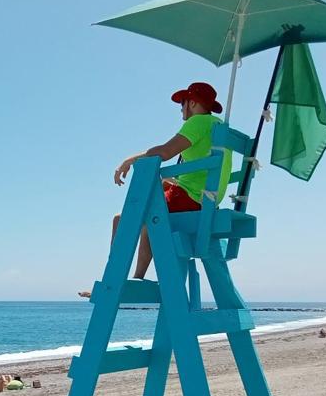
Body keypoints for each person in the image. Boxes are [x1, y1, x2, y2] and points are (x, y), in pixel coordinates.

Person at [78, 82, 232, 296]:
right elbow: (201, 171)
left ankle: (111, 283)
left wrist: (130, 160)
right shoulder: (218, 126)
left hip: (191, 200)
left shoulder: (197, 122)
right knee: (152, 212)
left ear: (192, 103)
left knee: (121, 220)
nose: (180, 108)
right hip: (206, 201)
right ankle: (137, 278)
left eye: (182, 103)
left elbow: (165, 152)